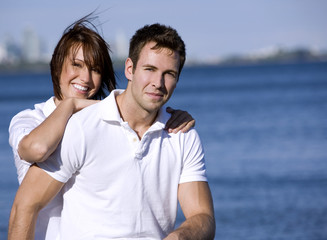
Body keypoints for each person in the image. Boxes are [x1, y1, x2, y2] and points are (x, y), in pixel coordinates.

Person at [8, 23, 215, 239]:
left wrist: (180, 236)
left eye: (169, 74)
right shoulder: (54, 123)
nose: (158, 83)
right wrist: (72, 105)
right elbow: (33, 165)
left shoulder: (181, 133)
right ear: (129, 69)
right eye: (150, 69)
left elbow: (203, 216)